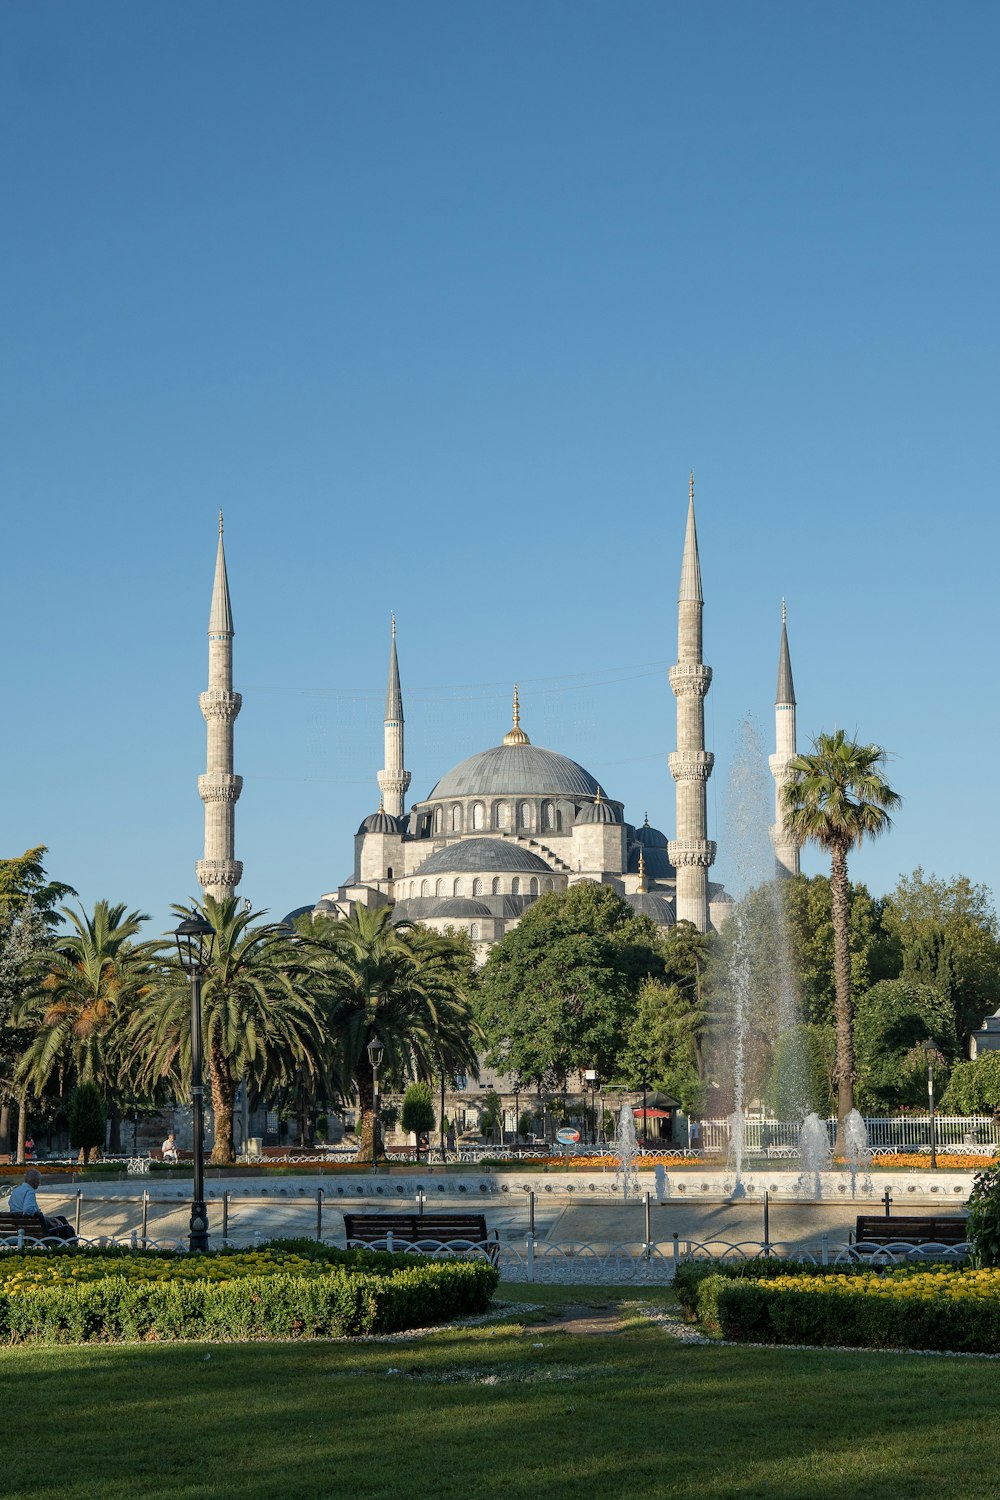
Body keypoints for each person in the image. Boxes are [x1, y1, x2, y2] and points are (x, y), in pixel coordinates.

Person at [7, 1169, 74, 1241]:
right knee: (62, 1220)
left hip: (21, 1227)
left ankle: (66, 1242)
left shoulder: (16, 1190)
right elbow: (28, 1210)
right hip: (33, 1228)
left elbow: (13, 1206)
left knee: (58, 1220)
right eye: (39, 1180)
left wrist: (47, 1219)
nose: (39, 1183)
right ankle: (71, 1243)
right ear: (35, 1181)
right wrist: (46, 1219)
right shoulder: (29, 1191)